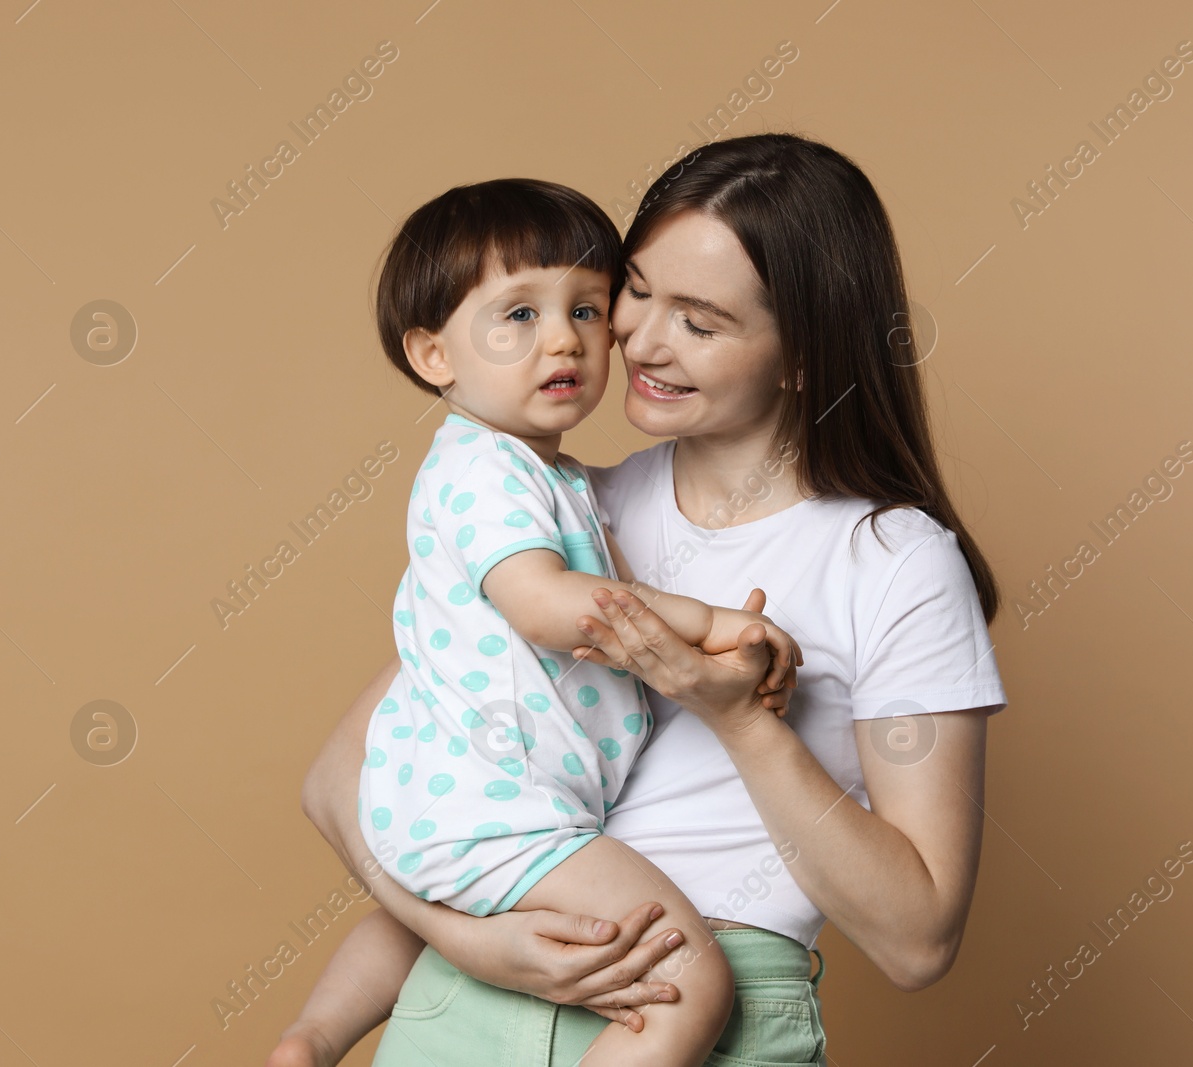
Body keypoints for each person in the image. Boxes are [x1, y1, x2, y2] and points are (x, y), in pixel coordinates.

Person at [282, 132, 1009, 1067]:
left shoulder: (894, 562)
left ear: (804, 358)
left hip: (706, 1010)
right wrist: (472, 941)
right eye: (635, 291)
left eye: (700, 323)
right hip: (463, 1004)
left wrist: (743, 722)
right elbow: (339, 781)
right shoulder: (570, 507)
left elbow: (919, 940)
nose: (636, 340)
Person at [272, 177, 804, 1067]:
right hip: (500, 804)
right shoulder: (487, 471)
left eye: (588, 310)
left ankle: (313, 1038)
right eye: (517, 315)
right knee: (693, 982)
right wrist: (710, 622)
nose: (563, 337)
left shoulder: (553, 476)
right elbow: (549, 605)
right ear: (434, 355)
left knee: (425, 926)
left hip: (464, 798)